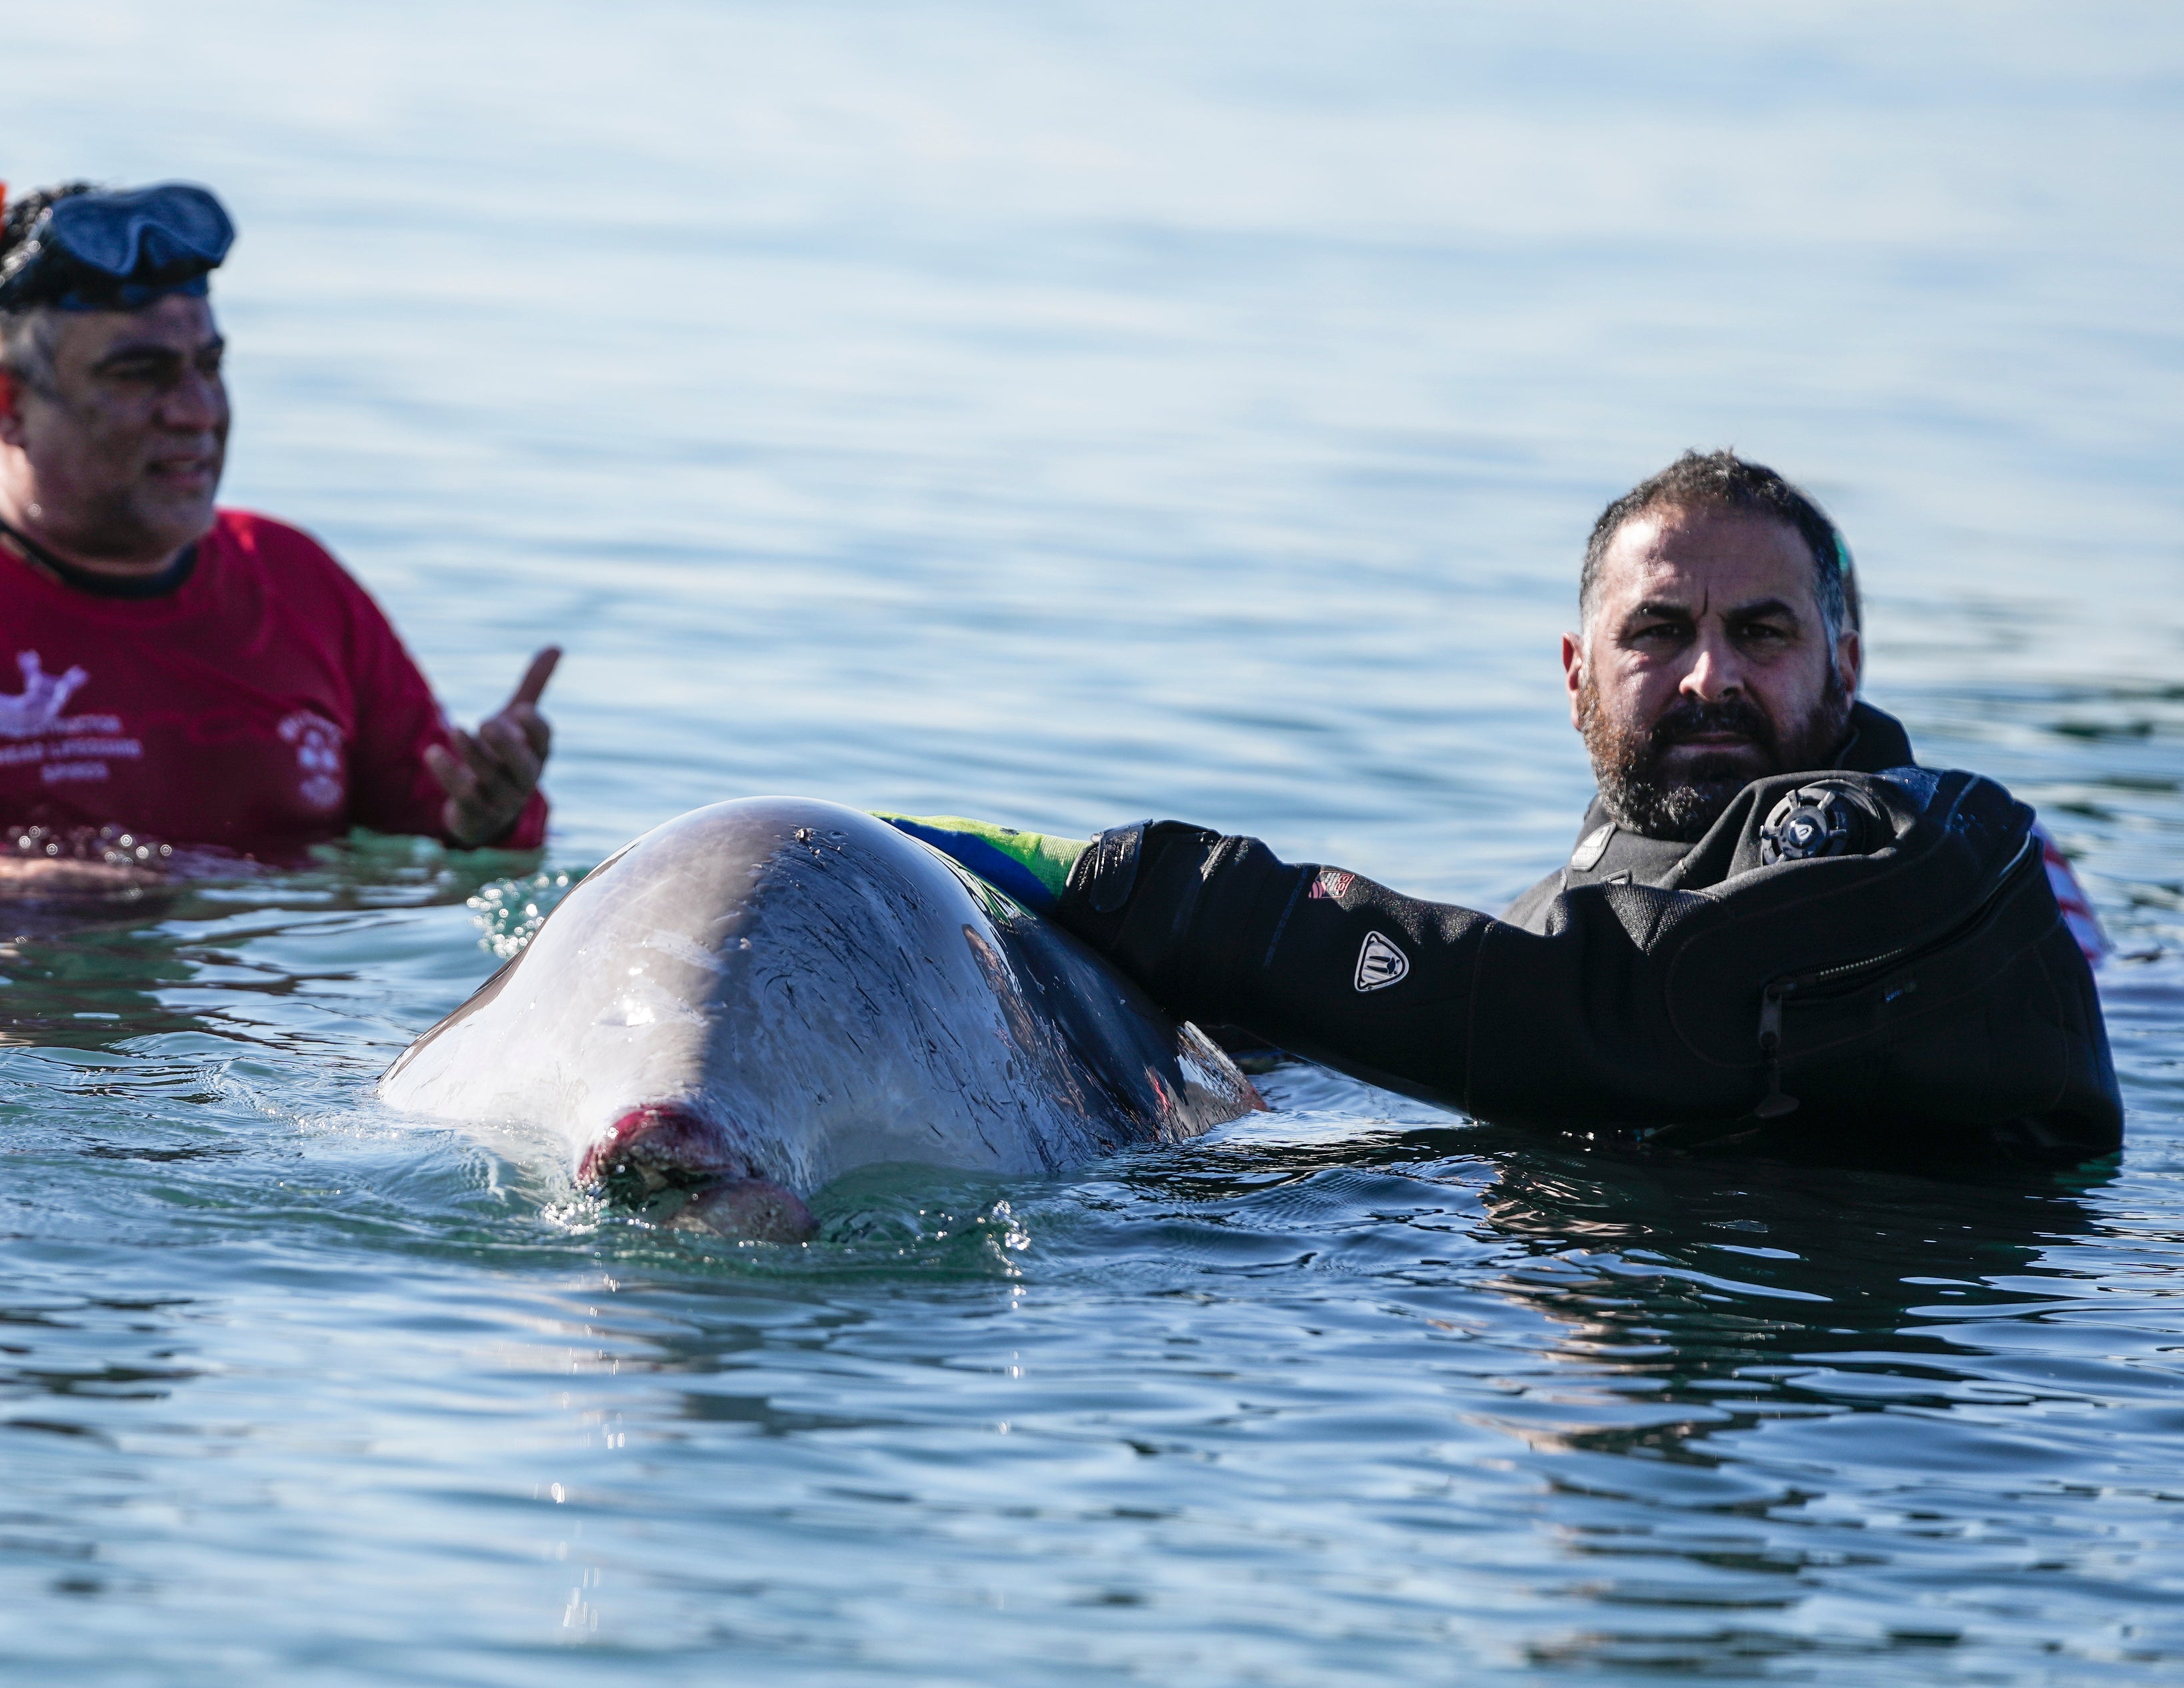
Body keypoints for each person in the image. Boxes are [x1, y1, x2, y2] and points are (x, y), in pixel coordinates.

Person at [892, 451, 2121, 1166]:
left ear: (1844, 667)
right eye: (1658, 632)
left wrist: (1140, 885)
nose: (1710, 676)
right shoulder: (1545, 931)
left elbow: (1642, 1013)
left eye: (1762, 632)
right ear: (1577, 673)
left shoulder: (1942, 853)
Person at [0, 181, 555, 865]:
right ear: (4, 402)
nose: (196, 409)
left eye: (209, 365)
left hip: (249, 1054)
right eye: (140, 375)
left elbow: (436, 840)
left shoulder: (294, 580)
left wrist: (486, 817)